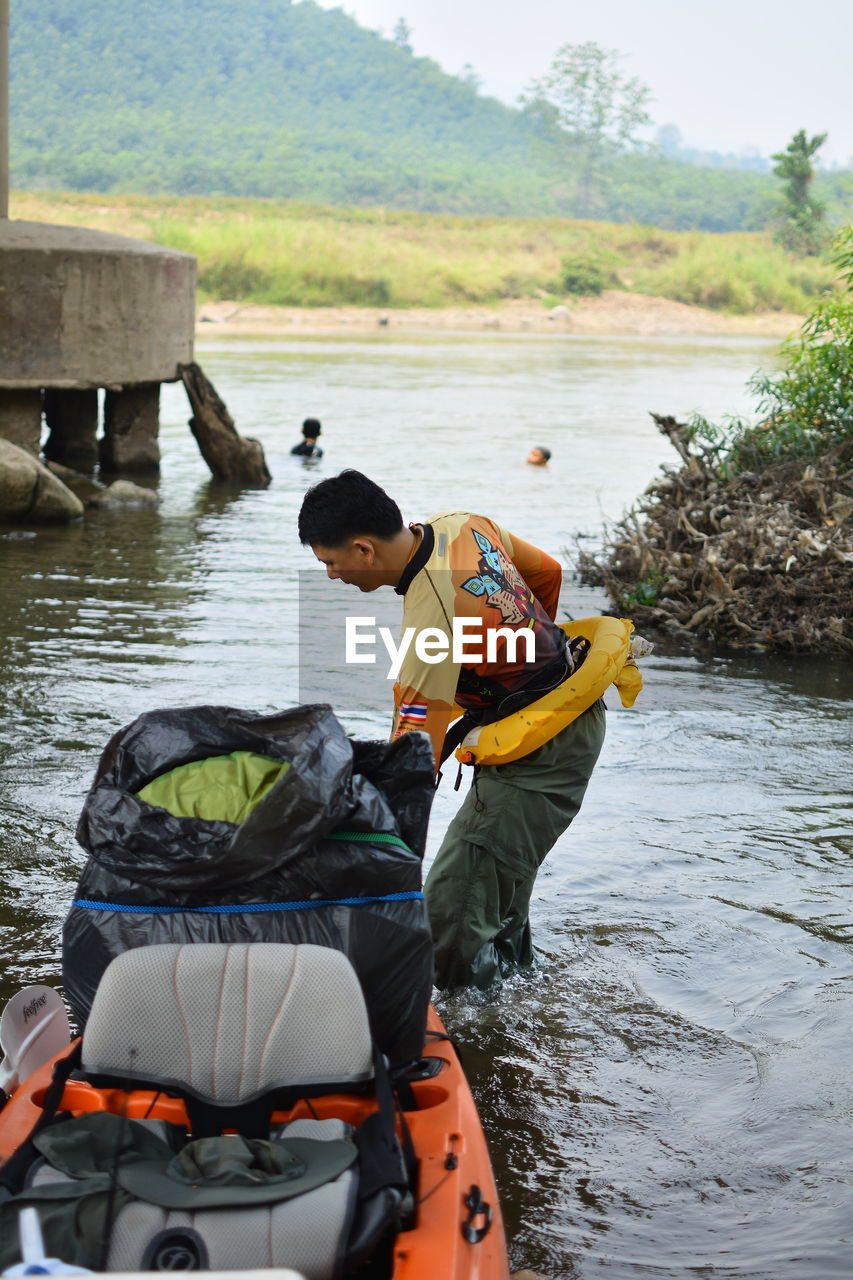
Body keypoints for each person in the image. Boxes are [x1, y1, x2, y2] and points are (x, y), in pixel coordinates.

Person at [298, 470, 606, 992]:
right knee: (497, 899)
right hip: (557, 716)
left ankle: (471, 1034)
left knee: (450, 914)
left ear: (364, 549)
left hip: (543, 749)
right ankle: (522, 1011)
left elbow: (413, 756)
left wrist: (376, 848)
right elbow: (548, 572)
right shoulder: (462, 524)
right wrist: (524, 653)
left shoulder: (430, 624)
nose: (330, 575)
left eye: (330, 562)